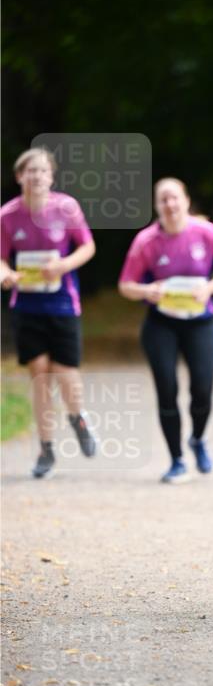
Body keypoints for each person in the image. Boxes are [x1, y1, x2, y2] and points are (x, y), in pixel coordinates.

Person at [118, 178, 213, 483]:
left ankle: (197, 439)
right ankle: (176, 459)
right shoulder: (146, 240)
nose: (170, 205)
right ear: (157, 206)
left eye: (174, 198)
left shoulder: (206, 233)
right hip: (161, 326)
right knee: (167, 390)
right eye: (163, 200)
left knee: (202, 390)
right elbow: (126, 286)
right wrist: (147, 290)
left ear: (186, 201)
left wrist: (209, 288)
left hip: (201, 323)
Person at [0, 147, 97, 478]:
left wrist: (63, 265)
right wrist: (5, 275)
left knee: (65, 372)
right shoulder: (7, 215)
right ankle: (45, 448)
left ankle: (78, 417)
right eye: (30, 171)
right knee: (40, 374)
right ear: (19, 177)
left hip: (62, 304)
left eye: (42, 171)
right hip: (26, 306)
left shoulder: (66, 208)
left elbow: (87, 246)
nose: (36, 176)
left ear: (51, 177)